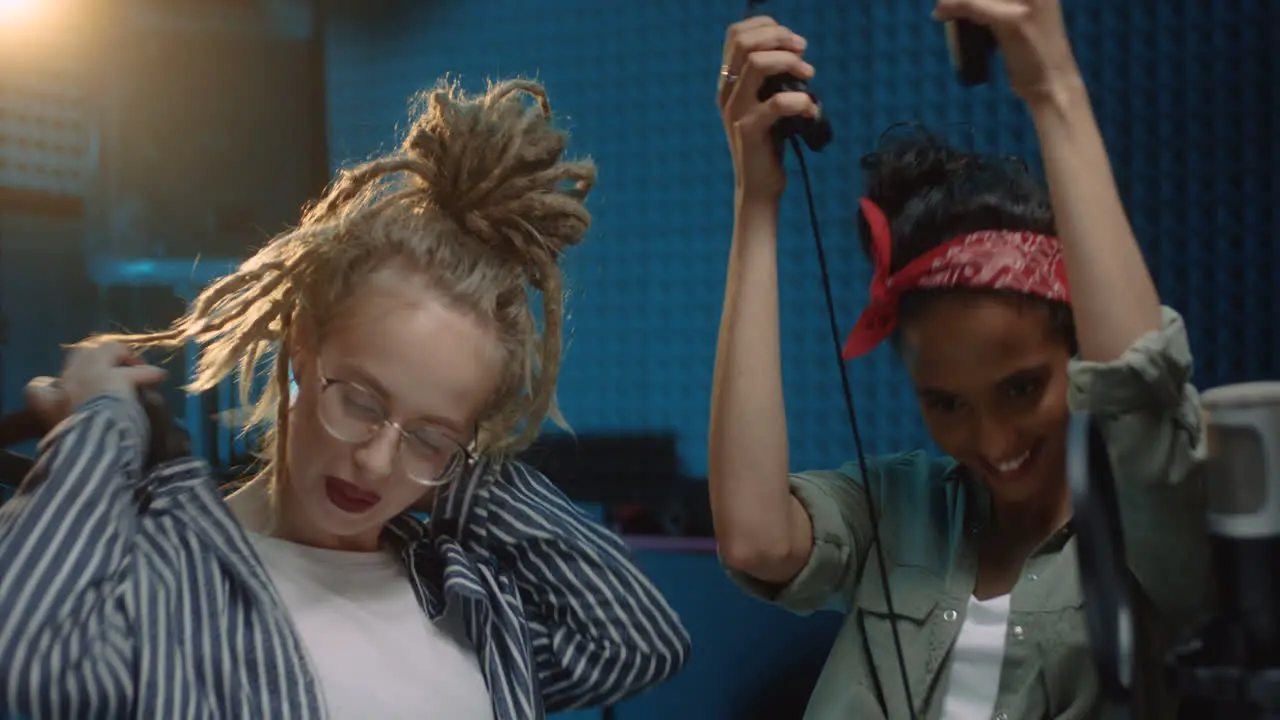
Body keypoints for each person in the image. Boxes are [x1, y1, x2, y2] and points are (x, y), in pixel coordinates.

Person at [0, 78, 690, 720]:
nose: (375, 461)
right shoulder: (166, 567)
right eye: (360, 400)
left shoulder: (466, 596)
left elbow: (637, 639)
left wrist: (449, 467)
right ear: (303, 344)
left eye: (427, 435)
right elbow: (34, 658)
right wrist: (98, 434)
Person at [709, 2, 1209, 718]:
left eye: (1022, 388)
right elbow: (757, 538)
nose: (994, 442)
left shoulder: (1149, 529)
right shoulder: (900, 510)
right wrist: (756, 199)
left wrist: (1052, 85)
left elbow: (1140, 385)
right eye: (947, 403)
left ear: (1078, 351)